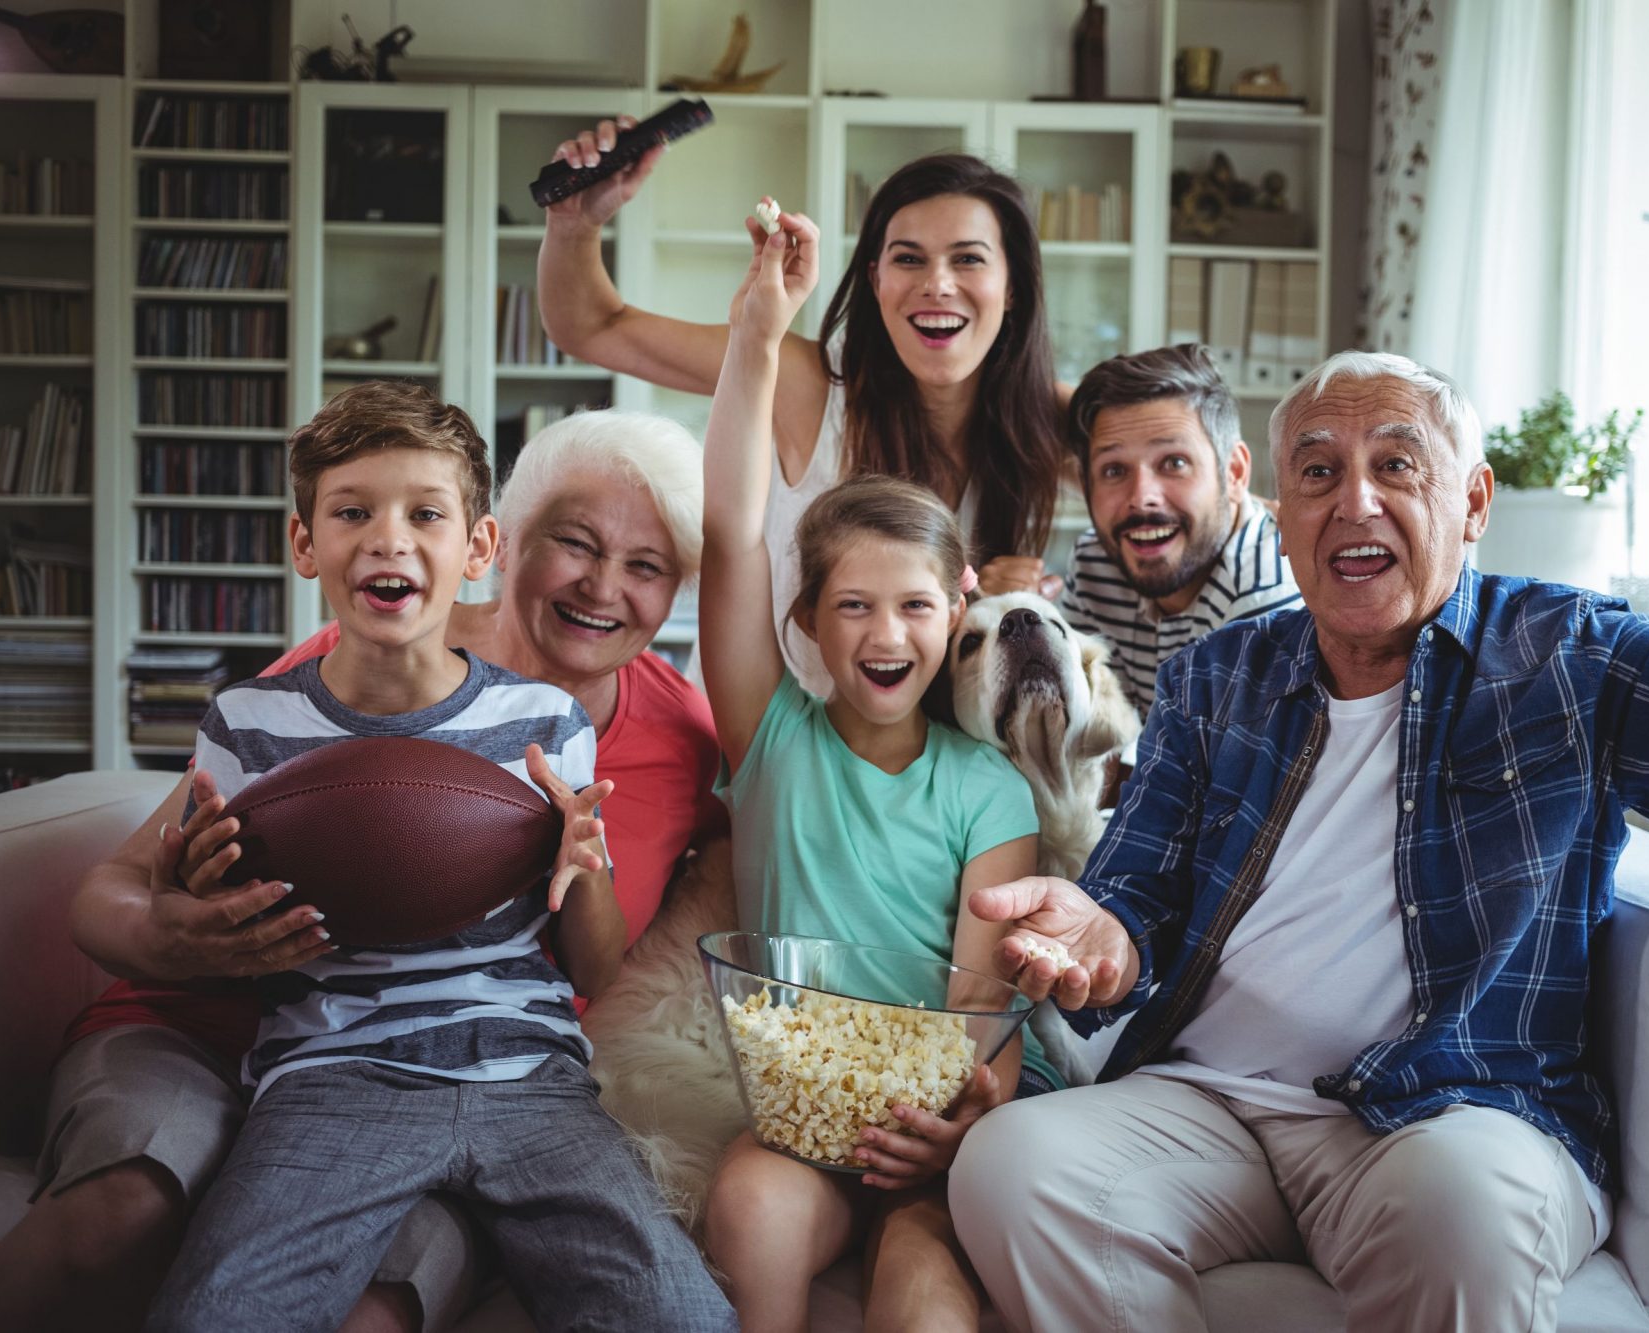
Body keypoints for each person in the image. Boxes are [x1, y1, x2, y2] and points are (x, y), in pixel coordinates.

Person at [945, 347, 1649, 1333]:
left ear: (1472, 502)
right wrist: (1100, 939)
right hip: (1209, 1109)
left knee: (1455, 1209)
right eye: (1319, 472)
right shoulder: (1218, 675)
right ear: (1282, 517)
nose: (1354, 500)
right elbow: (1131, 902)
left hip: (1449, 1112)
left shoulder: (1564, 653)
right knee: (1009, 1167)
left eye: (1397, 465)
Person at [0, 408, 721, 1333]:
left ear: (475, 542)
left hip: (527, 1072)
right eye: (353, 514)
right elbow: (121, 890)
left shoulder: (574, 727)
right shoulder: (267, 717)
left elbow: (612, 944)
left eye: (424, 515)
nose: (389, 541)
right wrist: (180, 920)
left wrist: (589, 865)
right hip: (324, 1061)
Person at [697, 206, 1056, 1333]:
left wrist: (957, 1115)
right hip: (800, 1116)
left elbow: (977, 998)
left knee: (922, 1281)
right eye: (850, 606)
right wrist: (762, 332)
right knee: (747, 1209)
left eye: (911, 605)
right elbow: (727, 534)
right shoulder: (773, 735)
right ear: (804, 618)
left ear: (957, 614)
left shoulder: (988, 785)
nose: (881, 632)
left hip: (945, 1112)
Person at [538, 127, 1070, 690]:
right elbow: (593, 326)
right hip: (760, 747)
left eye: (968, 259)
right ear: (875, 279)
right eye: (908, 259)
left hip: (919, 766)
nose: (937, 284)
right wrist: (576, 222)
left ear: (1012, 286)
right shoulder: (811, 382)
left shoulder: (1048, 416)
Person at [1059, 343, 1302, 715]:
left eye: (1174, 462)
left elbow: (1219, 772)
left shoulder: (1267, 598)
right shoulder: (1095, 565)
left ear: (1234, 472)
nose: (1142, 498)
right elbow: (1089, 738)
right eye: (1113, 470)